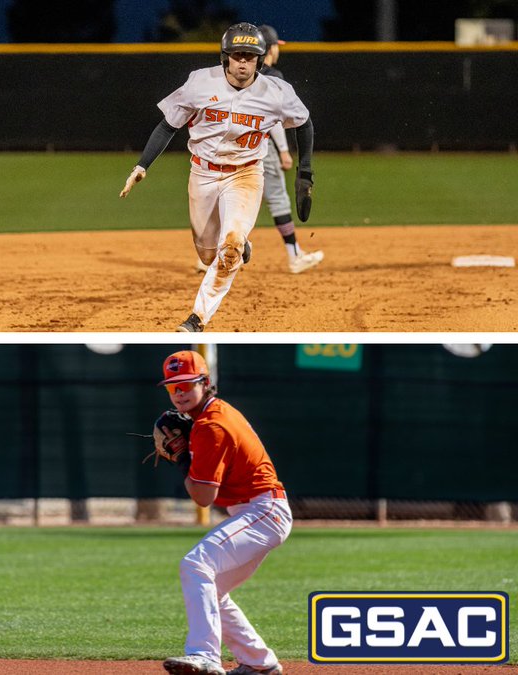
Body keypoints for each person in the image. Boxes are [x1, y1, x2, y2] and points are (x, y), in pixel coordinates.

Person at [120, 23, 315, 332]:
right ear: (225, 57)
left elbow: (303, 123)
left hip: (246, 174)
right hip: (203, 174)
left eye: (250, 57)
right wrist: (142, 166)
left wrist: (305, 173)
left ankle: (197, 318)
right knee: (209, 254)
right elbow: (168, 125)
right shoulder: (200, 83)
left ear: (260, 60)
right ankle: (239, 246)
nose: (243, 62)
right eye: (237, 55)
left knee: (231, 247)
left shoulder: (276, 92)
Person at [156, 350, 291, 675]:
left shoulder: (211, 426)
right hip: (258, 510)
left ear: (205, 382)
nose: (180, 394)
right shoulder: (211, 416)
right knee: (211, 587)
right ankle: (260, 664)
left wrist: (182, 459)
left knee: (195, 564)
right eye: (173, 388)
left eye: (187, 385)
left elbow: (203, 496)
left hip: (264, 510)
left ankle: (205, 655)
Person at [257, 24, 323, 275]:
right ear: (269, 48)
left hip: (225, 148)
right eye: (276, 46)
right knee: (278, 199)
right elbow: (272, 120)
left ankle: (206, 257)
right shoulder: (273, 76)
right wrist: (284, 149)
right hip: (259, 148)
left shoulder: (235, 75)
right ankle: (294, 255)